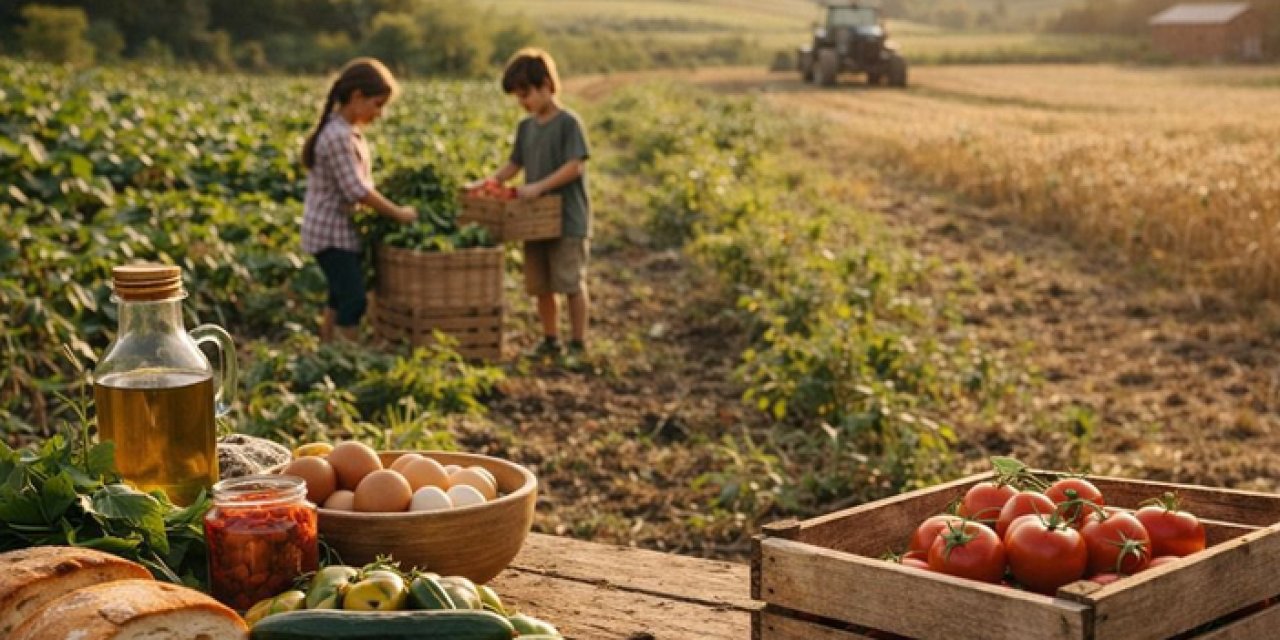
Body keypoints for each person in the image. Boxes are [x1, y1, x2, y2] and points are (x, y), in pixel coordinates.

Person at [476, 48, 592, 360]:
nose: (522, 102)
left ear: (546, 85)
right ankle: (550, 339)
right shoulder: (526, 128)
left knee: (570, 282)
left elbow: (575, 165)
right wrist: (489, 183)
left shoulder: (569, 123)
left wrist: (539, 186)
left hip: (568, 218)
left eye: (525, 93)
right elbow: (515, 164)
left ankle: (579, 343)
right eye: (518, 96)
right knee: (541, 285)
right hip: (535, 220)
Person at [300, 57, 416, 342]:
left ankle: (326, 347)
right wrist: (398, 213)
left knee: (338, 295)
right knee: (354, 299)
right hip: (331, 234)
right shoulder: (339, 136)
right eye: (377, 104)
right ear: (357, 97)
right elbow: (357, 191)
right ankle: (346, 357)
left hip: (332, 232)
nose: (380, 113)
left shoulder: (343, 130)